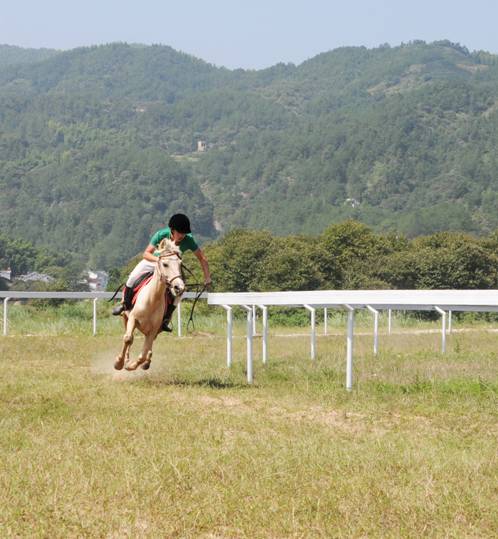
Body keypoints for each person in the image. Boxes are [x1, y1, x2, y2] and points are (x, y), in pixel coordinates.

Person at [113, 213, 211, 331]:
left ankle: (166, 318)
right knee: (132, 277)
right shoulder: (161, 234)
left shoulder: (189, 240)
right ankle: (125, 304)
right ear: (172, 230)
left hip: (172, 266)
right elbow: (146, 254)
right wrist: (159, 260)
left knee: (180, 290)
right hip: (153, 261)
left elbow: (202, 258)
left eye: (184, 233)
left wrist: (207, 278)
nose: (182, 236)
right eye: (179, 233)